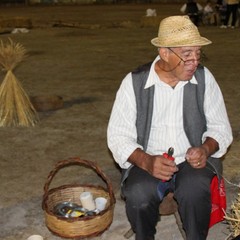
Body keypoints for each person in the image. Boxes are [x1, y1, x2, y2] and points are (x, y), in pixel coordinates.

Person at [107, 15, 233, 240]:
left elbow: (221, 128)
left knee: (194, 191)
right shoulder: (134, 83)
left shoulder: (204, 79)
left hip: (191, 162)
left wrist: (204, 149)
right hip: (149, 159)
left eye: (197, 53)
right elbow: (118, 137)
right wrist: (147, 161)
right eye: (187, 55)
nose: (195, 61)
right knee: (138, 195)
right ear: (164, 53)